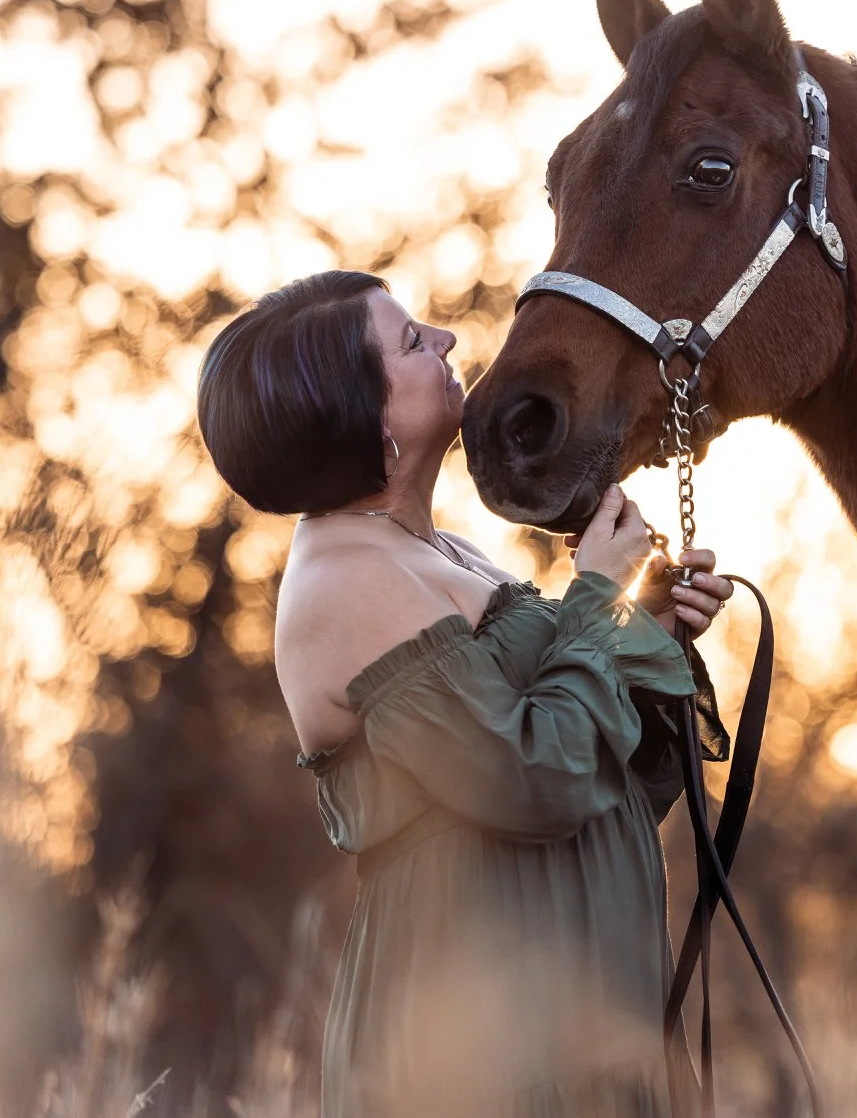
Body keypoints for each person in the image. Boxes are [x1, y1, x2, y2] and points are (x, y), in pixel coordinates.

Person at [194, 269, 735, 1116]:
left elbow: (602, 781)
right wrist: (595, 596)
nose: (444, 341)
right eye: (411, 341)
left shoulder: (442, 554)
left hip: (585, 1023)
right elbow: (533, 780)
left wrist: (649, 625)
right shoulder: (344, 582)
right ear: (362, 415)